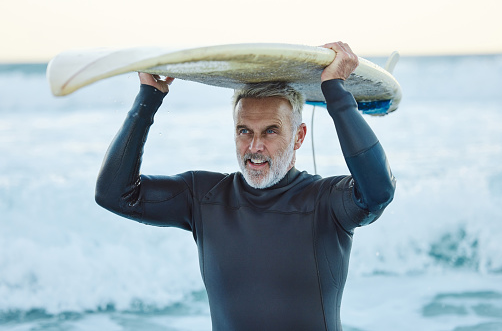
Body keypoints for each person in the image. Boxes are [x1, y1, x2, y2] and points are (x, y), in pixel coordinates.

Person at [95, 42, 396, 331]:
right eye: (244, 131)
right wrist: (148, 99)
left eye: (271, 131)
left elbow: (378, 191)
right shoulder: (203, 197)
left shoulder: (326, 202)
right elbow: (115, 194)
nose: (255, 146)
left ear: (299, 137)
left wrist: (335, 92)